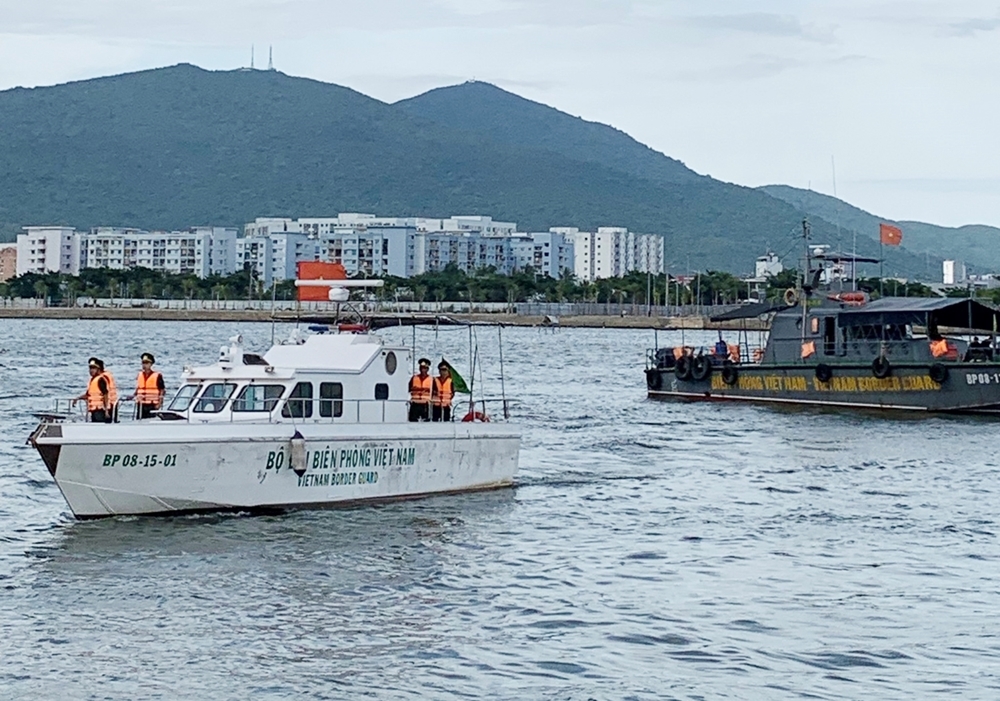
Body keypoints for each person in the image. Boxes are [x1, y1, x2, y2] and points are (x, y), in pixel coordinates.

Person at [74, 357, 118, 423]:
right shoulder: (93, 380)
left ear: (98, 369)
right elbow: (88, 394)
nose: (91, 370)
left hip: (101, 410)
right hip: (94, 410)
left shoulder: (101, 379)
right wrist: (77, 398)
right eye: (90, 368)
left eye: (93, 368)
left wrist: (106, 411)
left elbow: (105, 394)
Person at [129, 352, 165, 419]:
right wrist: (133, 395)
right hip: (141, 404)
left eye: (146, 363)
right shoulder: (140, 374)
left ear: (151, 364)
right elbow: (139, 387)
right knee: (139, 420)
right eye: (143, 363)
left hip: (152, 404)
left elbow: (162, 390)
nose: (144, 365)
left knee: (150, 420)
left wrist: (159, 403)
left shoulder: (157, 375)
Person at [408, 358, 432, 422]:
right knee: (412, 421)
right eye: (421, 368)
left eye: (424, 368)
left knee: (426, 422)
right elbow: (408, 389)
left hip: (425, 405)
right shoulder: (414, 378)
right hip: (415, 405)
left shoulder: (431, 380)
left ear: (427, 369)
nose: (423, 370)